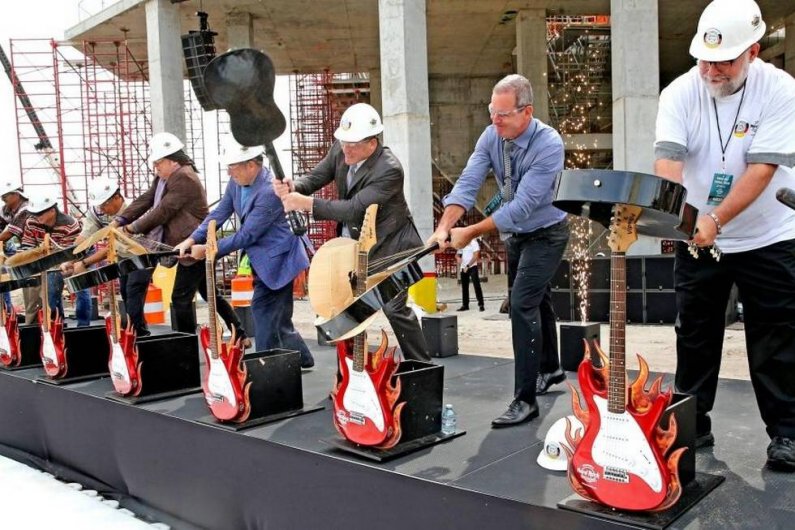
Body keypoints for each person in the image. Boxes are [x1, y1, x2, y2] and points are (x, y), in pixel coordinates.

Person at [654, 0, 795, 470]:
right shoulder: (678, 93)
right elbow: (669, 164)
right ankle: (693, 424)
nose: (711, 70)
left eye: (724, 60)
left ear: (753, 52)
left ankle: (788, 434)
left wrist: (717, 219)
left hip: (770, 234)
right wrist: (683, 216)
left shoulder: (779, 90)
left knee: (776, 335)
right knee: (694, 333)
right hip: (698, 233)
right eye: (704, 59)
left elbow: (762, 169)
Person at [427, 74, 569, 428]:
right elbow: (468, 182)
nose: (495, 119)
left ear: (527, 112)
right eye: (492, 111)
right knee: (540, 299)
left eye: (503, 114)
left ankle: (525, 400)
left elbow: (521, 207)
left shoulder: (548, 145)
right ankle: (551, 369)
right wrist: (444, 226)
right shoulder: (492, 135)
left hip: (547, 232)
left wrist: (470, 232)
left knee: (522, 304)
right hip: (517, 235)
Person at [274, 103, 431, 362]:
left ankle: (421, 369)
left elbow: (354, 209)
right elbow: (315, 177)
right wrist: (295, 186)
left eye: (353, 144)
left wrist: (305, 203)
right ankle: (348, 377)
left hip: (389, 248)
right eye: (343, 142)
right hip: (352, 246)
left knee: (394, 309)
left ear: (372, 143)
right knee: (344, 311)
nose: (346, 148)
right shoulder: (342, 148)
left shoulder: (389, 169)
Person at [176, 139, 314, 368]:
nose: (229, 171)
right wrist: (192, 239)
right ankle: (303, 359)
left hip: (280, 260)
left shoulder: (269, 190)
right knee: (278, 319)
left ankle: (267, 366)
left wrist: (210, 251)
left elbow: (247, 235)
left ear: (252, 165)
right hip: (263, 259)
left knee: (264, 312)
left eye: (233, 166)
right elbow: (218, 214)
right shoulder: (237, 183)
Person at [115, 132, 249, 345]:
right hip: (185, 246)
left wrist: (132, 228)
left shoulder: (183, 177)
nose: (156, 167)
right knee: (210, 293)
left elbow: (163, 210)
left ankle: (185, 346)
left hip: (194, 246)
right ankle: (240, 334)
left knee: (180, 298)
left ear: (172, 160)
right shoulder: (165, 179)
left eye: (159, 162)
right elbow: (147, 199)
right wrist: (121, 220)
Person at [60, 176, 153, 337]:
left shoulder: (133, 211)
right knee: (124, 292)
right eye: (99, 205)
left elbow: (113, 246)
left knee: (133, 291)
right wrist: (70, 259)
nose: (102, 209)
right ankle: (136, 331)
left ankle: (140, 335)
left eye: (105, 204)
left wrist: (85, 262)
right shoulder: (98, 212)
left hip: (143, 255)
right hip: (123, 258)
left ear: (117, 197)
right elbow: (85, 238)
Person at [19, 192, 91, 326]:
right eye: (34, 214)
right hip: (50, 261)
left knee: (81, 289)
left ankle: (83, 325)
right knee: (51, 292)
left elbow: (70, 254)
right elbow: (27, 245)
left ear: (52, 211)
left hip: (78, 256)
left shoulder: (70, 225)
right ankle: (58, 324)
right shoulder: (31, 222)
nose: (36, 217)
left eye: (40, 213)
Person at [0, 181, 32, 313]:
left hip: (36, 248)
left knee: (34, 287)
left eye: (5, 196)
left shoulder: (26, 208)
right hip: (26, 247)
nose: (3, 199)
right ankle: (7, 311)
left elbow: (10, 233)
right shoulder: (6, 209)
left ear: (16, 195)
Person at [456, 238, 485, 312]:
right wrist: (458, 258)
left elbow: (475, 256)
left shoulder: (474, 243)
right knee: (464, 287)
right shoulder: (462, 243)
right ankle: (465, 305)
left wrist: (468, 266)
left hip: (472, 267)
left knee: (476, 285)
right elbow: (457, 255)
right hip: (463, 267)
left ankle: (481, 304)